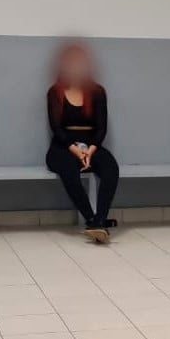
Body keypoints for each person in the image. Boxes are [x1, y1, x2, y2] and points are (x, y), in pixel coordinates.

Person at [45, 44, 120, 243]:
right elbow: (56, 127)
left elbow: (101, 128)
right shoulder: (55, 92)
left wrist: (90, 150)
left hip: (92, 145)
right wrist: (76, 151)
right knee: (69, 170)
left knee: (111, 168)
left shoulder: (98, 92)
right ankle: (91, 220)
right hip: (63, 146)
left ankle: (100, 219)